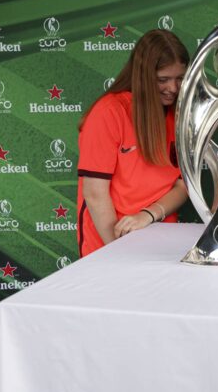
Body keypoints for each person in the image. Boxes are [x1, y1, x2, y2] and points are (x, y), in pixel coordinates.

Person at [76, 29, 190, 257]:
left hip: (162, 241)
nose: (174, 88)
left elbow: (183, 186)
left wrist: (148, 215)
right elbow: (95, 192)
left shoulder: (179, 114)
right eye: (163, 80)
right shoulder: (109, 112)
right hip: (109, 242)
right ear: (144, 76)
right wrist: (118, 251)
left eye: (180, 78)